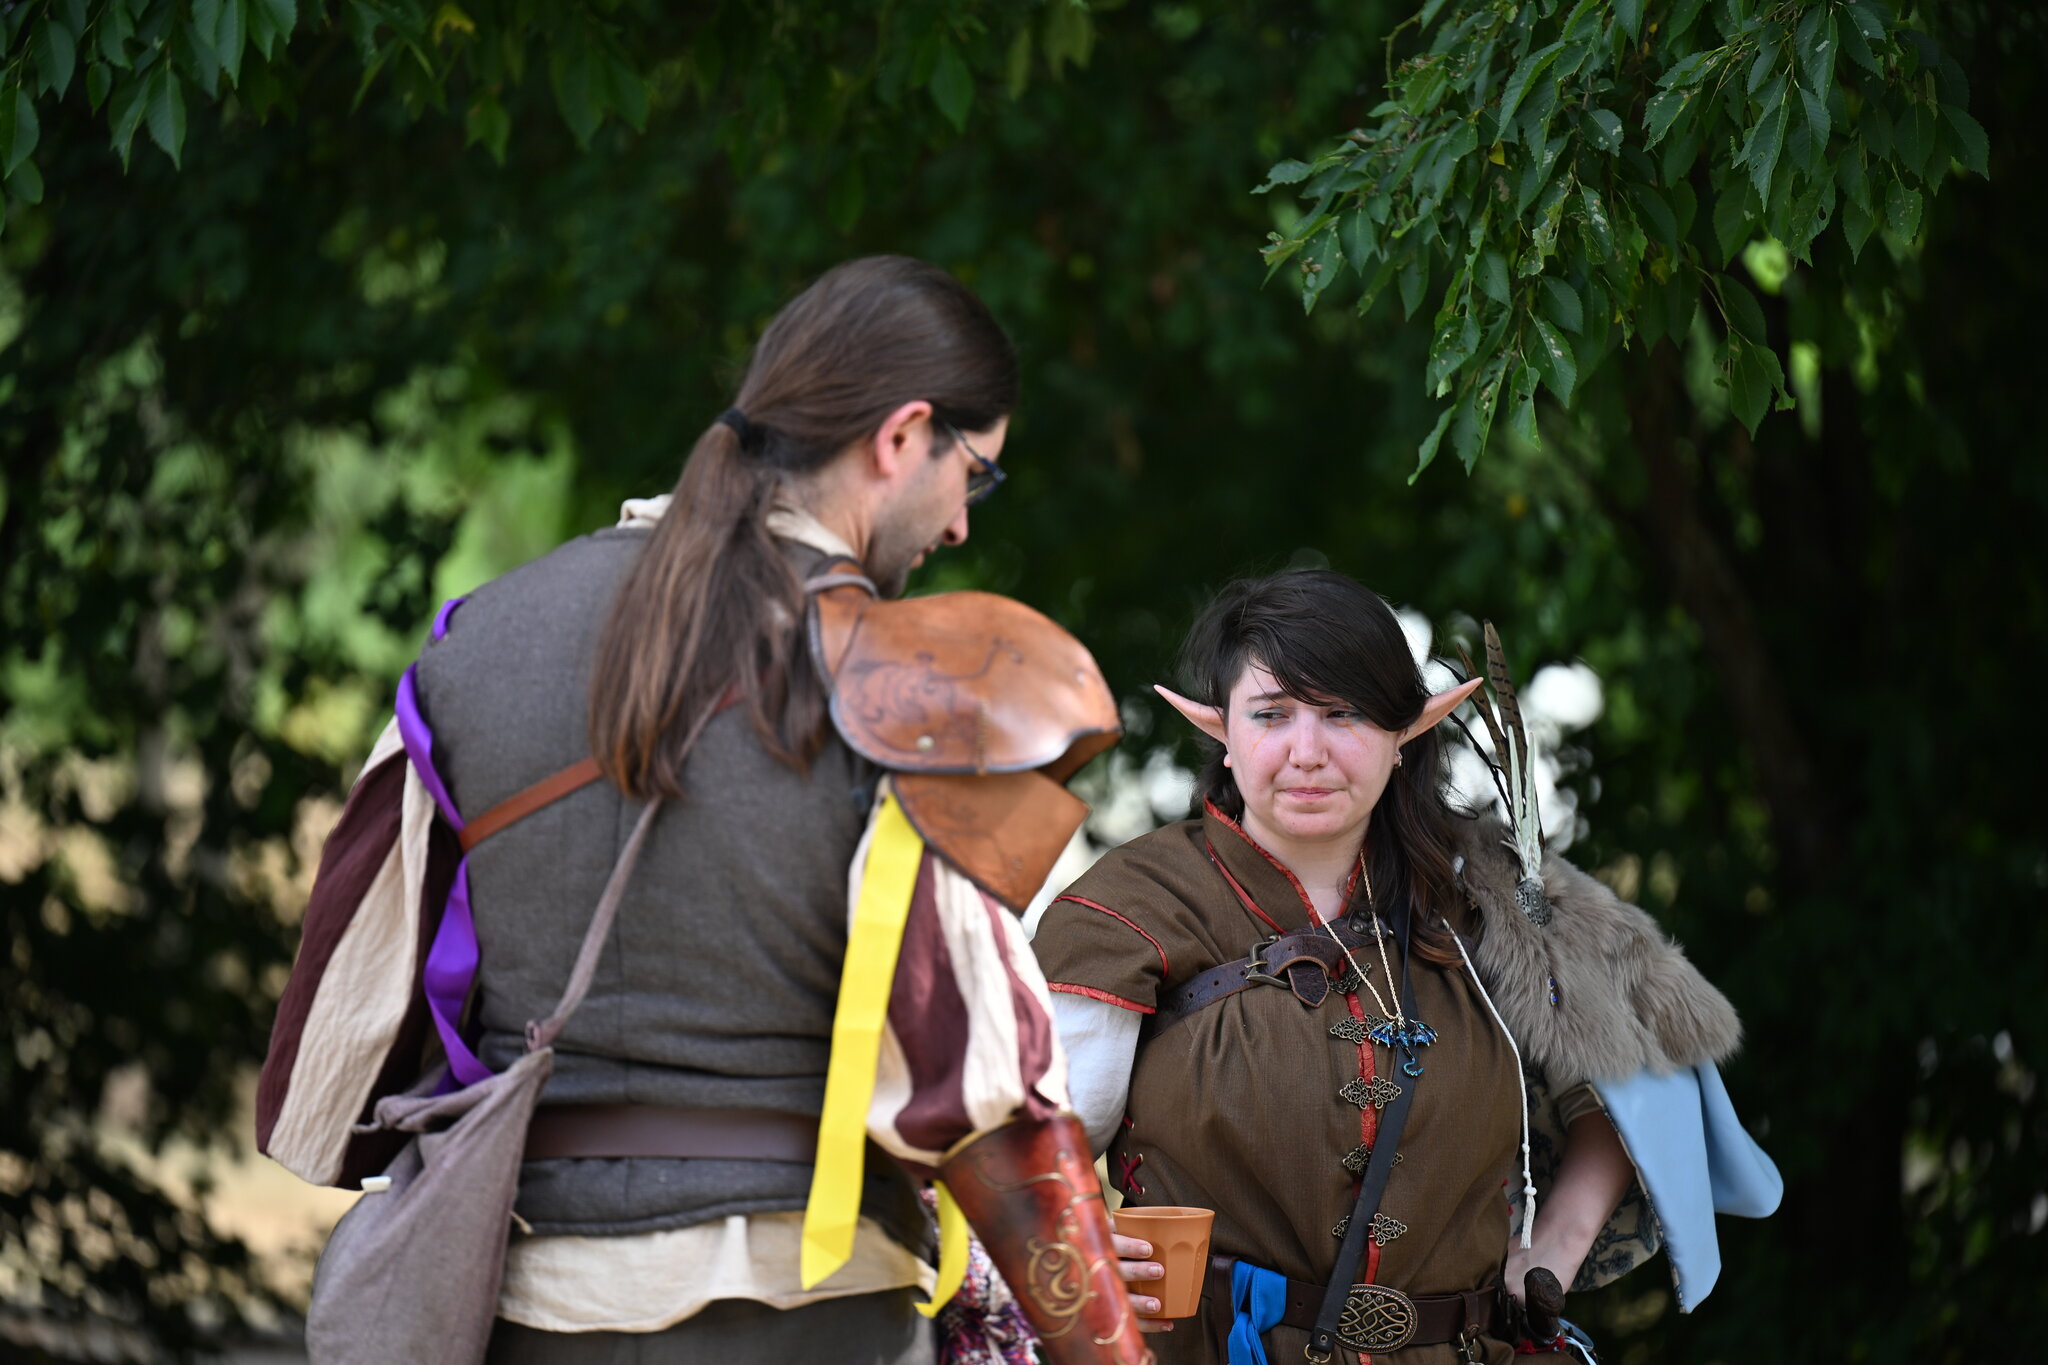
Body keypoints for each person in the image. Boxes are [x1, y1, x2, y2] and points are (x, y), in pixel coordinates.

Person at [258, 256, 1152, 1365]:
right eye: (975, 472)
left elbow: (347, 1032)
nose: (963, 524)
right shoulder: (910, 686)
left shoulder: (471, 644)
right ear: (902, 436)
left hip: (531, 1308)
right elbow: (988, 1086)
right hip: (802, 1317)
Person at [1030, 570, 1782, 1364]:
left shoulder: (1487, 901)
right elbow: (1023, 1155)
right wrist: (1074, 1244)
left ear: (1405, 732)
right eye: (1271, 714)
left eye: (1344, 713)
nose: (1307, 752)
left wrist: (1553, 1250)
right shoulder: (1130, 906)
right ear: (1220, 728)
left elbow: (1645, 1071)